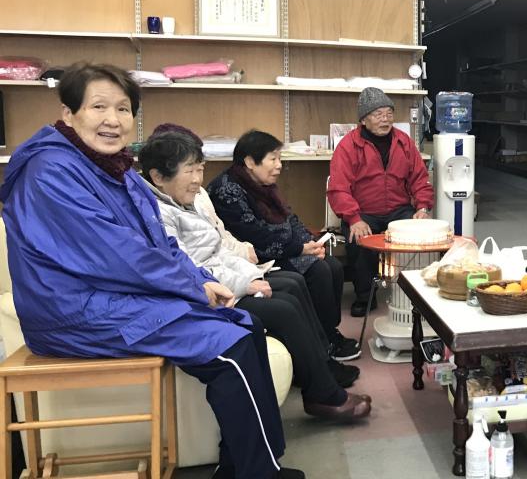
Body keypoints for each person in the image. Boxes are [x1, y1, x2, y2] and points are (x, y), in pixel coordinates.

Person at [0, 62, 303, 479]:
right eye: (98, 107)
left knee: (246, 323)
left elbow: (157, 243)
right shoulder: (50, 172)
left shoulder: (112, 168)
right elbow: (117, 254)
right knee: (228, 350)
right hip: (73, 312)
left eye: (123, 109)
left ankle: (243, 467)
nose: (112, 120)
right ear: (69, 114)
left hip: (111, 297)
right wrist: (193, 288)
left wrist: (199, 280)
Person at [139, 131, 371, 422]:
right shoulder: (163, 211)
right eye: (190, 171)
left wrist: (252, 275)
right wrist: (247, 280)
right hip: (205, 295)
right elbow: (190, 265)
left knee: (294, 285)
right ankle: (323, 394)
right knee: (287, 303)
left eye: (200, 169)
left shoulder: (189, 201)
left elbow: (220, 246)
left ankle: (320, 366)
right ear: (158, 176)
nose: (199, 179)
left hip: (230, 274)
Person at [207, 130, 360, 362]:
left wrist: (309, 242)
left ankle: (328, 332)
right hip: (254, 255)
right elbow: (255, 235)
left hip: (282, 247)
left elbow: (289, 218)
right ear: (250, 161)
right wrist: (300, 248)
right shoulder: (227, 189)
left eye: (280, 158)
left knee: (333, 266)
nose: (279, 165)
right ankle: (322, 341)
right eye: (273, 159)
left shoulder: (263, 183)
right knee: (318, 270)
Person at [327, 87, 434, 317]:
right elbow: (338, 188)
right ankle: (365, 296)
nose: (385, 120)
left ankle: (413, 293)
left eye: (389, 114)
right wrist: (353, 218)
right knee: (359, 239)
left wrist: (423, 207)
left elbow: (420, 178)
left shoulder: (403, 142)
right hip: (363, 211)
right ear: (364, 119)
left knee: (419, 235)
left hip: (398, 209)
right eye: (378, 114)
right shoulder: (348, 146)